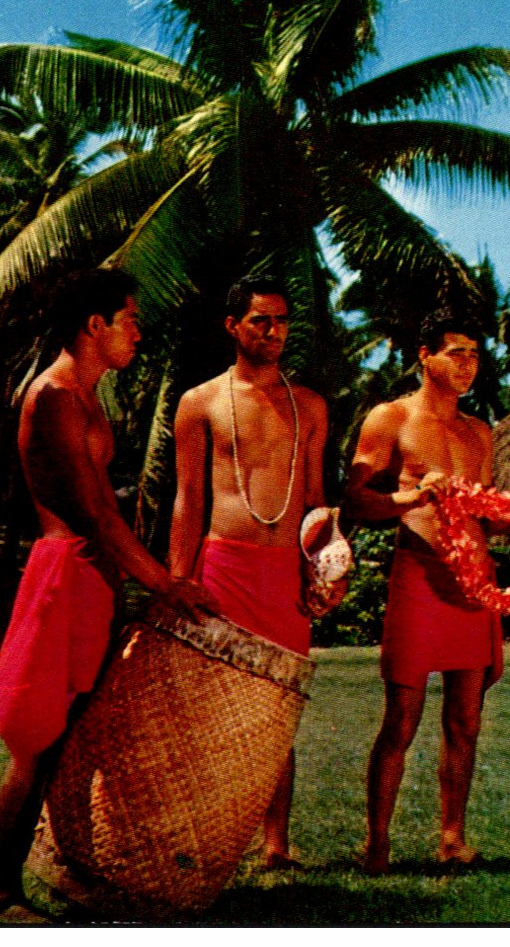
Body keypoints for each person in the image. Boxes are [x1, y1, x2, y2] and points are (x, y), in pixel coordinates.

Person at [0, 268, 211, 919]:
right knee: (37, 749)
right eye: (129, 318)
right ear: (95, 326)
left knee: (71, 744)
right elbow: (95, 516)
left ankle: (70, 869)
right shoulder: (53, 395)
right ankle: (2, 897)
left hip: (92, 580)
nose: (137, 330)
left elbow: (108, 514)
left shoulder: (87, 395)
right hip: (65, 577)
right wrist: (166, 582)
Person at [167, 274, 336, 871]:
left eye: (282, 321)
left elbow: (316, 501)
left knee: (277, 710)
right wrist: (175, 582)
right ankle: (200, 840)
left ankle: (275, 844)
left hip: (283, 575)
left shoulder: (309, 404)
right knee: (208, 711)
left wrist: (325, 569)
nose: (273, 332)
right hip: (223, 568)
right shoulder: (201, 401)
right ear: (232, 326)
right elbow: (188, 500)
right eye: (260, 320)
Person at [345, 310, 499, 873]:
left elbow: (486, 512)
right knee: (401, 719)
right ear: (424, 355)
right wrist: (410, 500)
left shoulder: (479, 431)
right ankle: (377, 841)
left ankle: (453, 836)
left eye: (475, 355)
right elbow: (355, 497)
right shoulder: (392, 418)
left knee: (466, 720)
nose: (467, 365)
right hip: (419, 573)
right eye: (456, 353)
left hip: (473, 583)